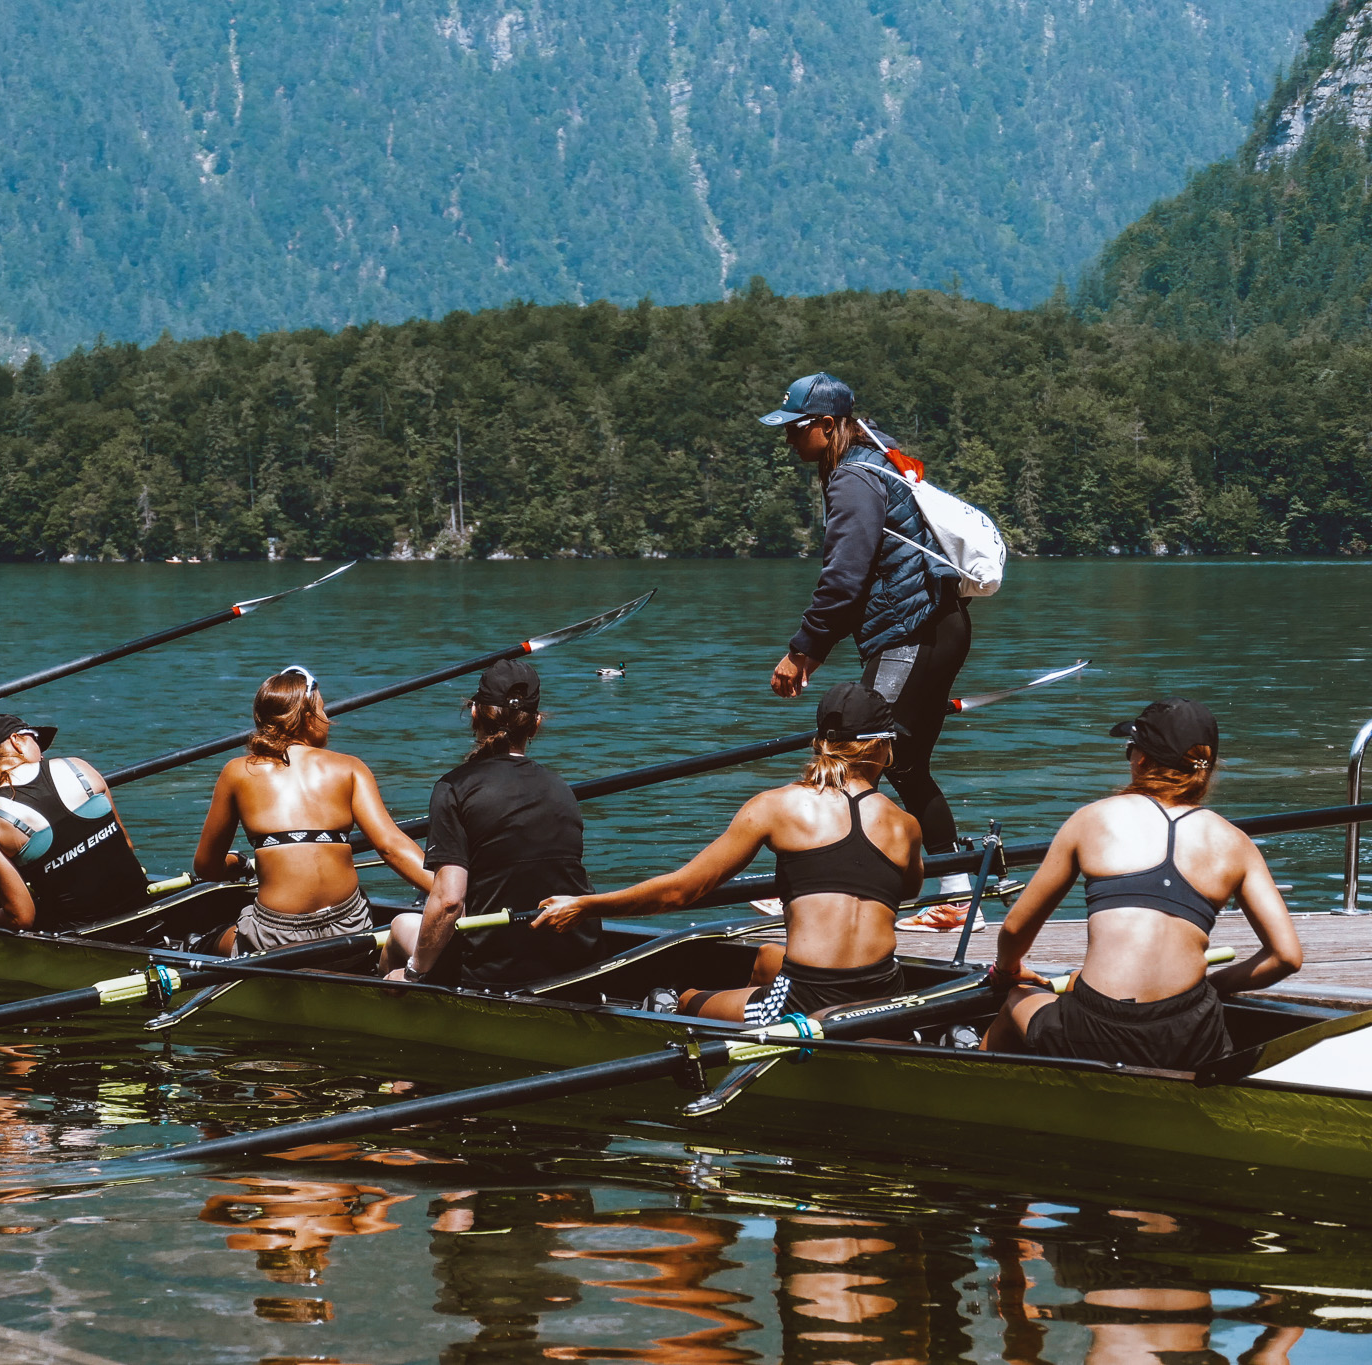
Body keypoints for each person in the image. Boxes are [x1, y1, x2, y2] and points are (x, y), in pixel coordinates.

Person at [535, 683, 922, 1023]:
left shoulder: (775, 806)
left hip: (806, 1003)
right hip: (884, 992)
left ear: (821, 743)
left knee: (685, 999)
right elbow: (905, 891)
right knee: (768, 957)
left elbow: (679, 893)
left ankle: (677, 1016)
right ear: (881, 746)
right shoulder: (905, 825)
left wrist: (586, 905)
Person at [759, 372, 977, 933]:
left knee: (849, 751)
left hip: (913, 631)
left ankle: (813, 881)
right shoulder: (873, 461)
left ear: (827, 425)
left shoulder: (854, 478)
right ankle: (956, 895)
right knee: (904, 763)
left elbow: (844, 580)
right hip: (938, 625)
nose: (789, 439)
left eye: (796, 428)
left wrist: (801, 651)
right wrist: (816, 651)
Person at [983, 699, 1302, 1070]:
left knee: (1017, 999)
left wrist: (1007, 971)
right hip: (1189, 1034)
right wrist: (1213, 986)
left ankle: (974, 1081)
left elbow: (1015, 929)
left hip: (1096, 1030)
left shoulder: (1091, 819)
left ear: (1142, 760)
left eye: (1129, 748)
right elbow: (1286, 957)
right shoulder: (1236, 843)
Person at [378, 660, 604, 988]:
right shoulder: (561, 788)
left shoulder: (454, 788)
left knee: (400, 926)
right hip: (578, 963)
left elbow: (449, 901)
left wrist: (414, 972)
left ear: (474, 714)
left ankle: (393, 998)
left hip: (490, 971)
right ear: (535, 724)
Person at [193, 666, 433, 953]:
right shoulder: (350, 767)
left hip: (275, 938)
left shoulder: (237, 772)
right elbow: (390, 846)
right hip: (349, 928)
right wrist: (449, 893)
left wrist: (235, 863)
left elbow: (206, 868)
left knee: (210, 939)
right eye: (322, 709)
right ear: (307, 718)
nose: (327, 719)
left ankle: (195, 947)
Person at [0, 712, 152, 930]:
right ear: (16, 741)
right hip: (144, 910)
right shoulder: (79, 767)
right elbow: (126, 845)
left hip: (84, 933)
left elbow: (21, 918)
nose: (43, 752)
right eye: (36, 739)